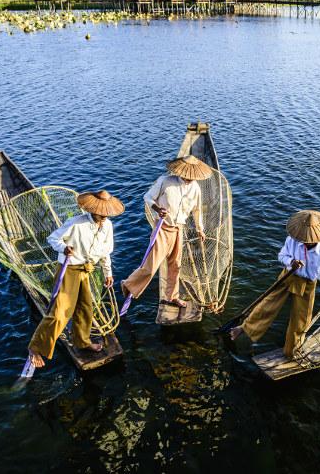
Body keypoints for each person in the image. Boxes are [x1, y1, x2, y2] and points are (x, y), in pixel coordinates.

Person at [28, 190, 124, 368]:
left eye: (106, 214)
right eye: (100, 213)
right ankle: (35, 347)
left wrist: (108, 273)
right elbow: (53, 238)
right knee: (60, 313)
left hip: (86, 270)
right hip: (69, 269)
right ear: (93, 210)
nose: (103, 216)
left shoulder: (108, 226)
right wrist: (63, 248)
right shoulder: (76, 223)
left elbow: (105, 252)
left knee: (85, 308)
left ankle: (82, 341)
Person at [230, 210, 320, 358]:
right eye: (304, 237)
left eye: (309, 239)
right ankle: (244, 328)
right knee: (268, 304)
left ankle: (291, 351)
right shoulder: (292, 240)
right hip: (288, 276)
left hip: (307, 285)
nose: (306, 240)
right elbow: (282, 256)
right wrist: (291, 262)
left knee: (301, 320)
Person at [122, 155, 210, 308]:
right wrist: (157, 209)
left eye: (191, 176)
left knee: (175, 265)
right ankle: (129, 284)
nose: (189, 178)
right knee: (152, 266)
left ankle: (172, 297)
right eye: (186, 175)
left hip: (178, 228)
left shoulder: (195, 188)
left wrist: (199, 229)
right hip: (162, 227)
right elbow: (147, 197)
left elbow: (197, 211)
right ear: (180, 172)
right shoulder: (165, 181)